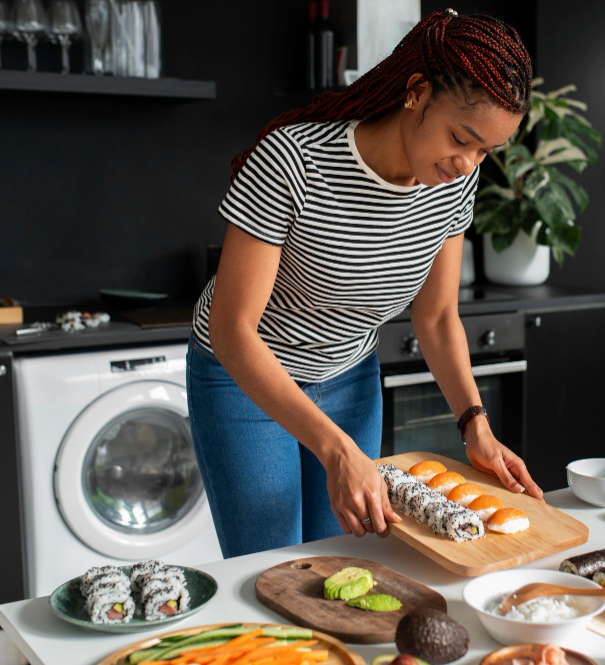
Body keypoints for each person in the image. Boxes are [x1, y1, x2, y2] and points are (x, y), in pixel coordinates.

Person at [187, 9, 543, 559]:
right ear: (417, 92)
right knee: (273, 565)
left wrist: (475, 424)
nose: (468, 164)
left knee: (342, 558)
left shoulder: (452, 187)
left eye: (485, 152)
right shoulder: (294, 160)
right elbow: (233, 331)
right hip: (246, 381)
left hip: (349, 377)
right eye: (460, 138)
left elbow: (438, 316)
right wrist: (335, 448)